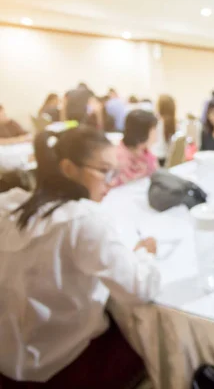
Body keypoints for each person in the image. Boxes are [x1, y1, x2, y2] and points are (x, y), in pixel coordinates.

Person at [0, 126, 160, 387]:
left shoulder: (8, 206)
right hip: (58, 365)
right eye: (104, 171)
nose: (111, 182)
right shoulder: (82, 219)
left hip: (8, 362)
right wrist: (144, 254)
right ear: (68, 168)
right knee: (146, 345)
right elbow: (139, 289)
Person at [114, 109, 158, 186]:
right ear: (142, 133)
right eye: (153, 130)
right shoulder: (120, 160)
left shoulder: (145, 152)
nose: (156, 135)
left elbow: (155, 175)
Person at [153, 94, 177, 165]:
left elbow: (155, 145)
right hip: (166, 157)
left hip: (158, 158)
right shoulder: (173, 123)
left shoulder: (158, 123)